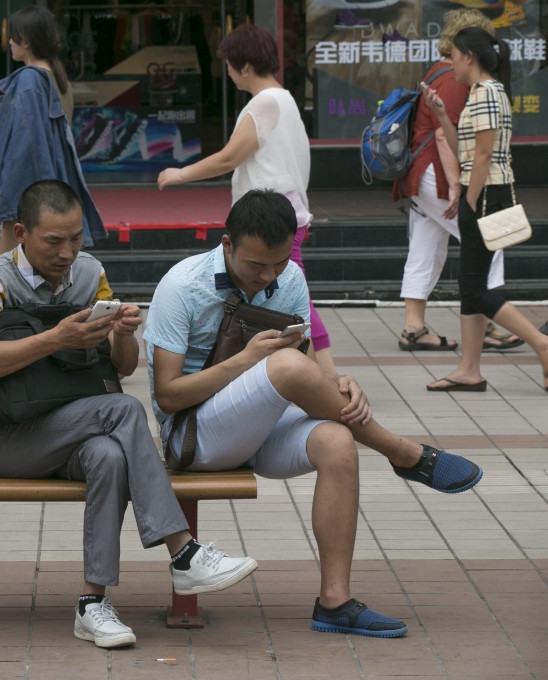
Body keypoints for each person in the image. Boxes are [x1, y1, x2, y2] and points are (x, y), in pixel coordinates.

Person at [144, 189, 486, 638]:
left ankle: (335, 602)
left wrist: (341, 383)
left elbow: (304, 360)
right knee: (283, 365)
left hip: (258, 424)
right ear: (226, 244)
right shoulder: (181, 285)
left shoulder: (291, 279)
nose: (267, 275)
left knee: (337, 441)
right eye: (255, 265)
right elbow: (168, 397)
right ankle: (403, 453)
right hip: (192, 437)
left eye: (279, 263)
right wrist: (246, 361)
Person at [0, 180, 258, 649]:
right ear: (20, 233)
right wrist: (56, 338)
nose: (67, 252)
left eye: (76, 238)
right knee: (122, 410)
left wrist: (122, 335)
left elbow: (121, 368)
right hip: (2, 438)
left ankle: (92, 605)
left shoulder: (89, 273)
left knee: (108, 457)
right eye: (53, 241)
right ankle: (183, 552)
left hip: (73, 427)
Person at [157, 25, 337, 377]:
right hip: (288, 214)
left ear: (243, 66)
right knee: (293, 291)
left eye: (228, 64)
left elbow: (229, 158)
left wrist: (179, 174)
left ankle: (325, 374)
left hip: (270, 219)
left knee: (298, 296)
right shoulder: (284, 99)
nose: (226, 72)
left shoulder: (265, 103)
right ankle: (318, 371)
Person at [422, 28, 548, 392]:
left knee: (474, 288)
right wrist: (441, 113)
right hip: (485, 195)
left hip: (486, 197)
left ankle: (540, 343)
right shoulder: (484, 93)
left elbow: (483, 154)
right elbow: (467, 143)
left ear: (469, 57)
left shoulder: (487, 93)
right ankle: (469, 369)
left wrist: (470, 198)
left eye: (454, 56)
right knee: (471, 284)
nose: (451, 63)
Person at [393, 9, 519, 353]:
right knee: (488, 246)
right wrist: (460, 191)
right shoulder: (455, 78)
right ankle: (491, 324)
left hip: (419, 175)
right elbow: (448, 138)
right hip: (438, 174)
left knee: (426, 245)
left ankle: (414, 328)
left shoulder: (439, 71)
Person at [0, 4, 104, 254]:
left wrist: (11, 203)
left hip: (28, 189)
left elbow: (27, 148)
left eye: (13, 35)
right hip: (54, 183)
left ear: (25, 41)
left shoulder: (28, 81)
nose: (9, 42)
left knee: (10, 270)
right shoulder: (57, 77)